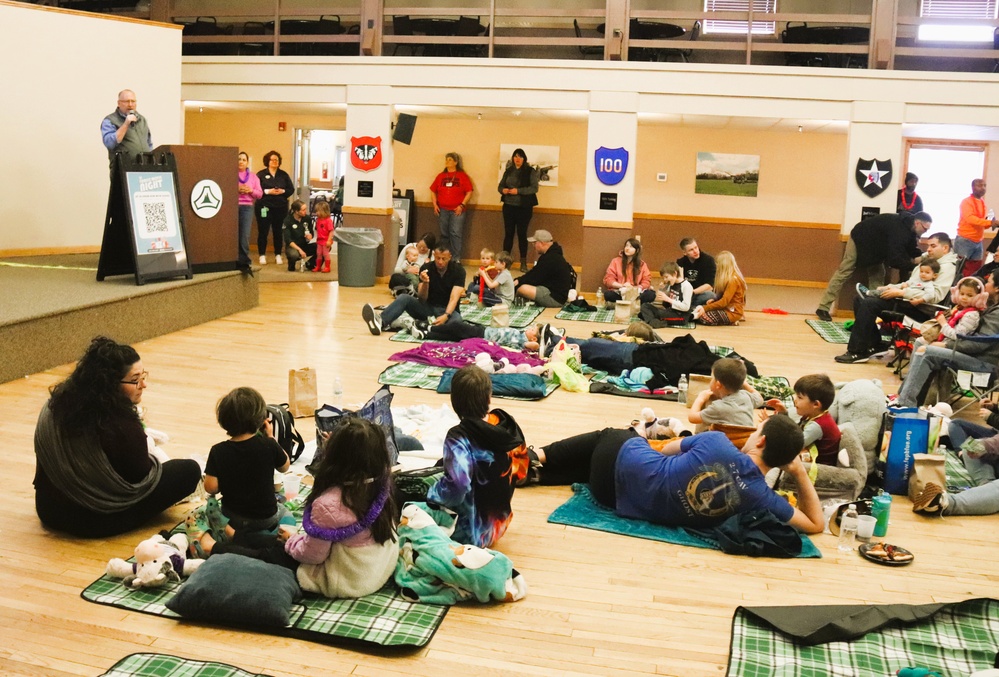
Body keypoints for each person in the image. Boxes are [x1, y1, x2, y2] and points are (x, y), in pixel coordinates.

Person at [528, 415, 824, 533]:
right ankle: (538, 475)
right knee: (595, 463)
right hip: (609, 497)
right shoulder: (762, 498)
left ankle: (537, 455)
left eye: (757, 431)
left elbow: (667, 449)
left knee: (610, 436)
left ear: (761, 441)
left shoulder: (717, 442)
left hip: (613, 466)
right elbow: (815, 524)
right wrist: (798, 473)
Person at [33, 337, 201, 537]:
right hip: (94, 520)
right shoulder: (119, 423)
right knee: (189, 471)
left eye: (143, 376)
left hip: (49, 509)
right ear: (110, 384)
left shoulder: (52, 406)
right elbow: (141, 476)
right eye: (135, 379)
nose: (144, 384)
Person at [284, 418, 399, 598]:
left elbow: (313, 555)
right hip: (380, 568)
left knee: (270, 552)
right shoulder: (382, 482)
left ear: (334, 456)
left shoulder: (328, 504)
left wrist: (291, 540)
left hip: (350, 580)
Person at [426, 365, 529, 547]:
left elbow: (458, 487)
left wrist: (430, 493)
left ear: (454, 400)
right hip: (498, 525)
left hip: (469, 534)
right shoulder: (507, 426)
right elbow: (522, 473)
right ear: (489, 397)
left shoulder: (458, 437)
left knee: (408, 501)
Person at [189, 387, 291, 556]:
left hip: (232, 518)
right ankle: (267, 538)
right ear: (260, 419)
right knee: (285, 512)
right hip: (265, 519)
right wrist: (271, 438)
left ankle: (229, 535)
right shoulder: (268, 445)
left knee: (201, 514)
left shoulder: (218, 450)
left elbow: (210, 487)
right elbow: (285, 466)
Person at [835, 232, 959, 363]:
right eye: (928, 246)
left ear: (945, 248)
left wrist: (901, 293)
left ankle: (856, 352)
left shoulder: (947, 268)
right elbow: (911, 284)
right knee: (859, 300)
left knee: (869, 303)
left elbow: (936, 296)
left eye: (933, 246)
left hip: (921, 309)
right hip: (906, 302)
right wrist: (889, 287)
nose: (928, 249)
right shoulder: (929, 262)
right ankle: (874, 344)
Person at [895, 270, 999, 408]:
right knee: (920, 342)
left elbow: (980, 344)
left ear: (997, 288)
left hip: (983, 362)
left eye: (989, 281)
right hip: (971, 353)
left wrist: (946, 345)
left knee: (926, 352)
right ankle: (905, 397)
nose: (985, 284)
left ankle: (905, 404)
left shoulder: (997, 313)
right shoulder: (991, 307)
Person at [815, 211, 933, 321]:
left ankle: (871, 310)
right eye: (925, 228)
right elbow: (894, 260)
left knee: (878, 275)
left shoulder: (910, 230)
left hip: (876, 248)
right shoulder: (899, 229)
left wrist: (924, 259)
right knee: (845, 270)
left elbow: (911, 249)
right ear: (917, 223)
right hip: (860, 238)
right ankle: (823, 307)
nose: (926, 232)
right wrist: (915, 267)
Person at [363, 243, 466, 335]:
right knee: (404, 298)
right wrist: (425, 283)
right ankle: (381, 321)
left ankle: (429, 329)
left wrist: (446, 315)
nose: (440, 262)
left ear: (450, 257)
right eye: (438, 258)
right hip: (428, 308)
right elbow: (422, 298)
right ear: (434, 255)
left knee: (457, 324)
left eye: (444, 259)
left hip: (448, 310)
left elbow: (454, 298)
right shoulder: (426, 268)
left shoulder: (459, 271)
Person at [765, 374, 841, 466]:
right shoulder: (812, 415)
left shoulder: (817, 426)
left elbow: (794, 445)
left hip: (818, 467)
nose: (795, 400)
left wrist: (772, 425)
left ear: (816, 404)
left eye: (800, 397)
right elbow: (795, 431)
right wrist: (783, 413)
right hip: (808, 455)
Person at [688, 358, 763, 432]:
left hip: (727, 440)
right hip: (746, 438)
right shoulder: (746, 396)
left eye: (712, 379)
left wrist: (700, 399)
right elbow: (760, 399)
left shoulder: (718, 408)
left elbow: (692, 418)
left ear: (718, 384)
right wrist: (744, 383)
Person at [914, 276, 988, 351]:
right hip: (945, 340)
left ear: (979, 298)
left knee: (922, 348)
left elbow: (957, 336)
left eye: (969, 295)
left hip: (953, 347)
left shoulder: (972, 315)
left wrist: (943, 323)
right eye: (962, 294)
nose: (964, 297)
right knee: (919, 341)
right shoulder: (959, 309)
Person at [498, 148, 541, 270]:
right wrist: (503, 190)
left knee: (522, 234)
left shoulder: (530, 171)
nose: (517, 159)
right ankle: (505, 262)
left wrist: (518, 191)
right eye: (515, 156)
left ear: (524, 159)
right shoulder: (509, 170)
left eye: (520, 157)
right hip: (508, 206)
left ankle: (523, 262)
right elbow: (500, 186)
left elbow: (534, 188)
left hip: (524, 208)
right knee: (508, 234)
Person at [430, 152, 474, 261]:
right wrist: (435, 204)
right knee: (444, 234)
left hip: (457, 210)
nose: (447, 161)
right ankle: (444, 257)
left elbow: (469, 191)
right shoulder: (441, 176)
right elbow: (433, 190)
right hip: (443, 209)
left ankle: (455, 259)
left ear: (456, 162)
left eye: (450, 159)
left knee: (455, 234)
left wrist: (462, 205)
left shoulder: (462, 176)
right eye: (446, 159)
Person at [514, 229, 574, 308]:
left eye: (535, 243)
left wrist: (518, 282)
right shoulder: (552, 255)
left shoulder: (550, 258)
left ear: (541, 243)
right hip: (554, 293)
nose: (534, 246)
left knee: (522, 289)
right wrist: (519, 280)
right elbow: (534, 273)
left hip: (555, 298)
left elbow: (534, 278)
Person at [256, 150, 296, 266]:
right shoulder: (261, 174)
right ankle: (262, 255)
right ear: (267, 161)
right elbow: (257, 190)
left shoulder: (283, 175)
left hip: (280, 208)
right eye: (272, 160)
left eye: (277, 160)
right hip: (264, 207)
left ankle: (278, 254)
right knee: (263, 231)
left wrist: (282, 191)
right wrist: (268, 191)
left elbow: (291, 189)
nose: (275, 162)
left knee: (278, 231)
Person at [101, 89, 152, 174]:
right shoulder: (110, 120)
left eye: (133, 101)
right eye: (127, 101)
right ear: (119, 103)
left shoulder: (142, 120)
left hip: (145, 169)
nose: (130, 104)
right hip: (123, 169)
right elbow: (110, 143)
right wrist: (126, 124)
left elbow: (149, 143)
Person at [956, 178, 999, 277]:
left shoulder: (982, 202)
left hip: (978, 241)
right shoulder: (966, 202)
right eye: (979, 185)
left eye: (984, 185)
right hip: (965, 240)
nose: (983, 188)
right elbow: (970, 219)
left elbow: (981, 222)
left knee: (975, 269)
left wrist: (992, 223)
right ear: (972, 187)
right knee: (961, 268)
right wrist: (990, 222)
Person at [691, 250, 746, 326]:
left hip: (732, 311)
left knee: (703, 316)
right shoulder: (729, 279)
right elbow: (723, 298)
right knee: (700, 309)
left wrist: (705, 308)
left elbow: (724, 302)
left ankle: (731, 320)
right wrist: (713, 301)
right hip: (726, 308)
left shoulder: (733, 280)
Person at [858, 256, 939, 303]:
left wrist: (919, 301)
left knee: (881, 297)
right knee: (888, 289)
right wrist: (889, 287)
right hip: (902, 295)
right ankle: (871, 293)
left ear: (934, 275)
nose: (923, 274)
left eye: (927, 272)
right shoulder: (917, 280)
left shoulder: (928, 285)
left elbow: (930, 295)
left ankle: (868, 293)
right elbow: (906, 283)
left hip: (907, 300)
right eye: (921, 272)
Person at [603, 237, 655, 304]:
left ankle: (630, 303)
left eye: (631, 247)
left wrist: (637, 288)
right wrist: (622, 286)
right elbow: (608, 279)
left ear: (637, 250)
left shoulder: (642, 264)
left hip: (636, 292)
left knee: (651, 294)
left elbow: (646, 280)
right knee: (608, 294)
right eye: (626, 246)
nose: (627, 248)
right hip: (620, 291)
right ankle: (629, 303)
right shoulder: (615, 261)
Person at [236, 152, 263, 268]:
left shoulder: (253, 177)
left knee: (244, 235)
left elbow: (260, 194)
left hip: (247, 208)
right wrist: (236, 189)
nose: (241, 161)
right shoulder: (230, 174)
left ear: (247, 162)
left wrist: (250, 190)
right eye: (239, 159)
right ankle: (231, 259)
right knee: (232, 234)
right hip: (232, 207)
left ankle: (243, 260)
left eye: (244, 160)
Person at [676, 238, 717, 307]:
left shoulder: (708, 260)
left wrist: (691, 292)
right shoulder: (680, 263)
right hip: (685, 294)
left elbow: (710, 286)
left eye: (696, 247)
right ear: (684, 253)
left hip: (699, 294)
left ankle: (687, 307)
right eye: (691, 250)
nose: (695, 251)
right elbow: (679, 283)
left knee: (710, 295)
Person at [282, 200, 316, 272]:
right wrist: (299, 250)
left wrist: (310, 236)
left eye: (305, 209)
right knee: (293, 254)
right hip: (293, 246)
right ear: (296, 211)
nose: (305, 211)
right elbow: (288, 239)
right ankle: (291, 264)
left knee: (323, 247)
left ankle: (310, 263)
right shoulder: (288, 220)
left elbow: (311, 232)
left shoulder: (307, 219)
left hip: (304, 244)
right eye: (303, 210)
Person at [312, 201, 334, 273]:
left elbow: (331, 231)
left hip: (326, 240)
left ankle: (327, 267)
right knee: (319, 253)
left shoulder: (328, 221)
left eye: (318, 211)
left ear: (324, 211)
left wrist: (329, 240)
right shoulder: (318, 220)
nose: (316, 213)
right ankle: (318, 266)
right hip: (319, 240)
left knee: (325, 254)